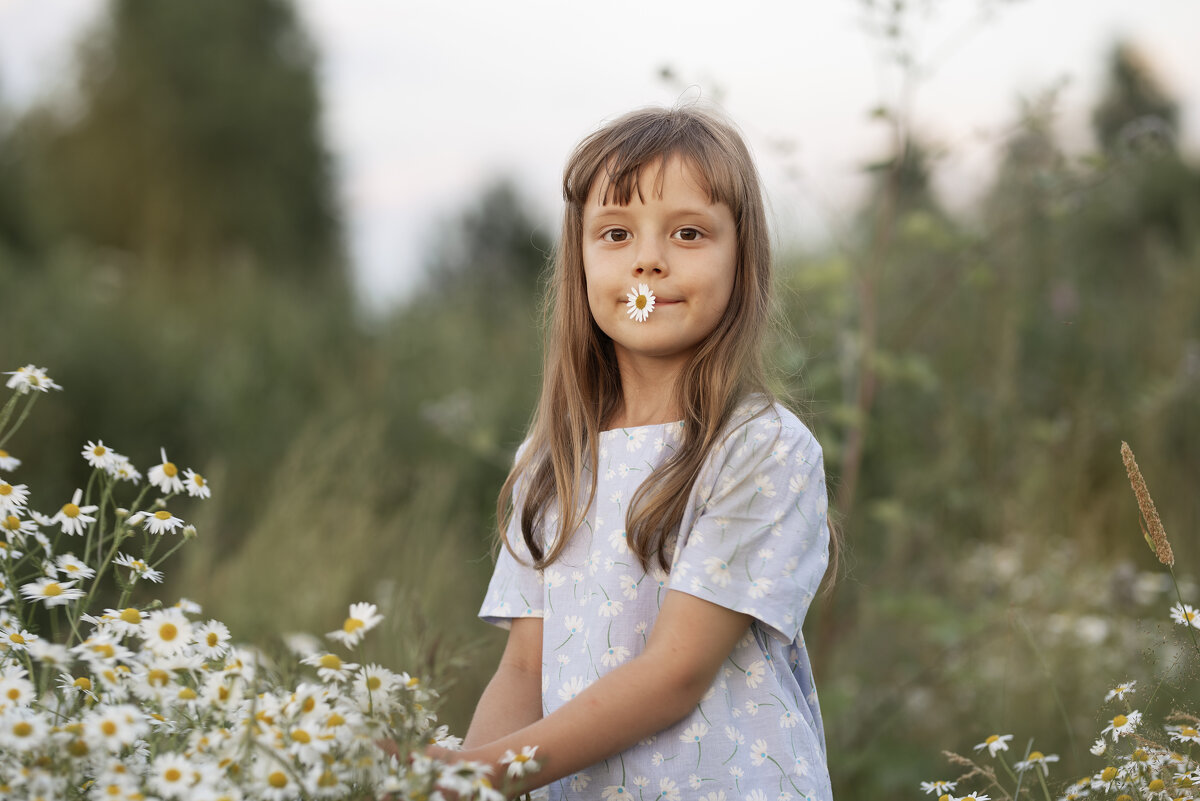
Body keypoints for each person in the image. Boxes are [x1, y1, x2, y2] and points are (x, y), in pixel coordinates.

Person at [432, 105, 835, 800]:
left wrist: (486, 771)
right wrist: (462, 782)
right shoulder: (549, 458)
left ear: (742, 261)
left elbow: (675, 671)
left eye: (688, 232)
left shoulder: (760, 448)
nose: (649, 259)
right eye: (615, 233)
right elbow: (524, 670)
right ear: (581, 262)